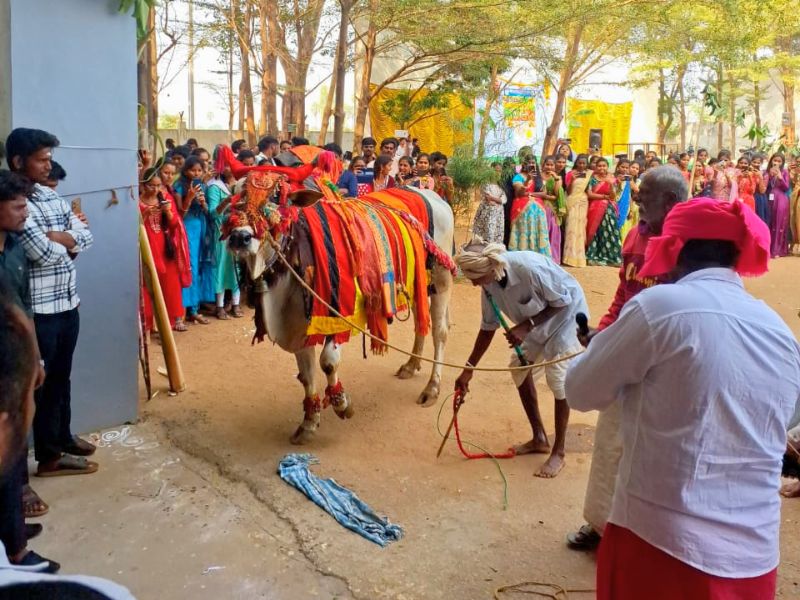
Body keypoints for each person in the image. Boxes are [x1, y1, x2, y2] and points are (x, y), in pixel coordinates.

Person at [566, 198, 796, 600]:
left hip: (660, 544)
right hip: (755, 558)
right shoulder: (779, 331)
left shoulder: (659, 308)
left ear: (673, 249)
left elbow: (580, 391)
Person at [566, 166, 687, 551]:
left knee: (651, 455)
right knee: (609, 443)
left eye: (644, 195)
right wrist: (602, 332)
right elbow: (623, 293)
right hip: (627, 353)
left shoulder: (690, 244)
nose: (635, 200)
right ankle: (601, 525)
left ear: (670, 202)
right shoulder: (635, 233)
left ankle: (639, 539)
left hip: (665, 365)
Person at [0, 293, 135, 598]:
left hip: (64, 307)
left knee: (61, 383)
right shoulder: (102, 594)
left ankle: (14, 532)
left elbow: (82, 242)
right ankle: (16, 541)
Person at [6, 128, 98, 477]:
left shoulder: (48, 195)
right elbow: (40, 253)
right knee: (41, 387)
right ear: (19, 161)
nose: (49, 166)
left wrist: (61, 237)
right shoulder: (15, 202)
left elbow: (87, 238)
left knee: (62, 377)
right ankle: (49, 457)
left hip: (67, 302)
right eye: (42, 159)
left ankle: (61, 437)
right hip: (39, 311)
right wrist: (68, 241)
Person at [455, 240, 588, 478]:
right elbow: (488, 328)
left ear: (491, 268)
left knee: (557, 377)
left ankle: (559, 452)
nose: (473, 283)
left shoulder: (529, 268)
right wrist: (468, 369)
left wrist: (526, 326)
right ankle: (539, 438)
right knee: (519, 368)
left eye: (475, 277)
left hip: (566, 317)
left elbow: (563, 300)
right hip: (534, 324)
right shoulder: (489, 286)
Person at [0, 170, 57, 572]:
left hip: (16, 365)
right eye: (18, 206)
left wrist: (34, 360)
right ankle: (17, 553)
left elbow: (25, 309)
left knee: (15, 453)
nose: (25, 213)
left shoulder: (17, 248)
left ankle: (12, 530)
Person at [139, 167, 191, 331]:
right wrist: (146, 213)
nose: (155, 189)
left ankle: (169, 324)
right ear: (143, 185)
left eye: (158, 185)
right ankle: (148, 324)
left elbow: (175, 223)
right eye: (151, 186)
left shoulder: (166, 197)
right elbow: (134, 226)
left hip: (164, 245)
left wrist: (167, 212)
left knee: (170, 283)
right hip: (146, 244)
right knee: (147, 284)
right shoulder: (137, 202)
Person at [173, 156, 215, 324]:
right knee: (188, 265)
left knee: (198, 266)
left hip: (200, 227)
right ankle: (181, 310)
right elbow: (179, 214)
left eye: (199, 170)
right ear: (185, 170)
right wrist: (189, 198)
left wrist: (203, 202)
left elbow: (206, 211)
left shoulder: (201, 185)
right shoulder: (179, 186)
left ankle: (195, 308)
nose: (196, 173)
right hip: (186, 227)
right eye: (193, 170)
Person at [205, 152, 242, 319]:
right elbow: (213, 213)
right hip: (221, 232)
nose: (230, 168)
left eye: (232, 164)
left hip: (238, 231)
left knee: (237, 267)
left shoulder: (241, 184)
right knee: (221, 267)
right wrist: (227, 202)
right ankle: (219, 306)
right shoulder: (214, 187)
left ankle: (236, 303)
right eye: (226, 165)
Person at [507, 162, 551, 256]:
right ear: (523, 164)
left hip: (538, 210)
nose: (531, 165)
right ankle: (521, 256)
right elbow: (519, 193)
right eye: (528, 163)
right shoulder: (518, 177)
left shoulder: (539, 178)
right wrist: (527, 180)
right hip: (522, 209)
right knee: (523, 230)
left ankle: (539, 256)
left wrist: (529, 194)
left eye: (533, 163)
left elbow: (544, 194)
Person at [585, 157, 621, 266]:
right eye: (599, 166)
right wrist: (604, 196)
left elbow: (613, 196)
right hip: (594, 208)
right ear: (596, 167)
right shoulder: (592, 179)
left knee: (610, 230)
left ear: (607, 167)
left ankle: (612, 256)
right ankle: (594, 255)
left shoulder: (611, 179)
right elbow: (590, 194)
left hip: (608, 209)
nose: (601, 168)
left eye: (604, 166)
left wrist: (610, 184)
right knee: (596, 231)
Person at [562, 155, 591, 267]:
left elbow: (589, 190)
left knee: (581, 228)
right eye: (580, 163)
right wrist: (572, 179)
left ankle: (579, 257)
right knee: (571, 228)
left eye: (584, 163)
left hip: (583, 202)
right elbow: (568, 192)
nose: (582, 165)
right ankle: (568, 258)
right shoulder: (570, 173)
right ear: (576, 163)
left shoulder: (589, 174)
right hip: (571, 202)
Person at [539, 156, 566, 263]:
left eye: (552, 165)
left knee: (552, 231)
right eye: (547, 164)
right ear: (543, 165)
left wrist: (555, 178)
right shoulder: (538, 177)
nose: (549, 167)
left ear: (555, 166)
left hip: (551, 209)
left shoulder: (557, 178)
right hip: (538, 206)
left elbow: (556, 194)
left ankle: (553, 259)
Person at [765, 153, 790, 258]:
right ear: (771, 161)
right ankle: (768, 249)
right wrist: (769, 176)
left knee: (779, 223)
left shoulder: (784, 172)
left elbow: (786, 188)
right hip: (769, 200)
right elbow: (765, 187)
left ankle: (777, 250)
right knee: (769, 222)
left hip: (781, 200)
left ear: (782, 163)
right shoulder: (767, 172)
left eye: (779, 161)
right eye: (775, 160)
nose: (776, 163)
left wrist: (780, 177)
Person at [471, 171, 506, 245]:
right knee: (487, 232)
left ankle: (492, 251)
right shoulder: (486, 184)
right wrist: (497, 200)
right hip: (487, 212)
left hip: (498, 214)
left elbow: (503, 200)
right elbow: (488, 198)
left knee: (496, 233)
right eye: (496, 170)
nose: (498, 173)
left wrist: (494, 199)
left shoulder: (501, 186)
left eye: (499, 171)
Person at [752, 153, 769, 224]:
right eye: (754, 162)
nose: (756, 164)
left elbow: (762, 191)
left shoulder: (765, 174)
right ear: (751, 162)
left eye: (758, 163)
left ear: (761, 163)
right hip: (748, 197)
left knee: (759, 219)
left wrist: (760, 177)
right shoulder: (748, 172)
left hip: (759, 198)